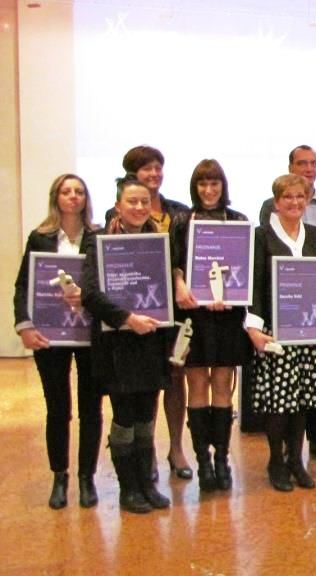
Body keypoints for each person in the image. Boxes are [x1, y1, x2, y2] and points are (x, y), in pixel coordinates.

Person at [80, 175, 173, 513]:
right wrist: (128, 319)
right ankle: (128, 489)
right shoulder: (99, 241)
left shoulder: (159, 241)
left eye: (144, 202)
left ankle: (147, 484)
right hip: (117, 345)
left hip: (151, 341)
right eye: (132, 201)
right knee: (125, 417)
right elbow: (90, 294)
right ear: (118, 205)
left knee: (147, 415)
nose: (139, 207)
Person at [246, 174, 316, 492]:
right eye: (288, 197)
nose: (295, 202)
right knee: (279, 401)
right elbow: (255, 283)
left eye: (300, 197)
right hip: (276, 330)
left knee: (301, 399)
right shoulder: (261, 236)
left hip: (311, 329)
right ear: (276, 202)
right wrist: (254, 329)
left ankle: (296, 461)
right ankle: (276, 461)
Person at [13, 174, 103, 509]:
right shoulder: (40, 237)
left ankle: (87, 477)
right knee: (57, 408)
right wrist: (24, 325)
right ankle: (60, 476)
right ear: (56, 198)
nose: (73, 196)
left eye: (79, 191)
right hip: (49, 334)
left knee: (91, 408)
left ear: (86, 198)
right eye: (67, 192)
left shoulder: (97, 236)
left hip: (90, 334)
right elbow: (23, 285)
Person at [105, 145, 192, 480]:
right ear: (132, 175)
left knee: (176, 376)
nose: (154, 174)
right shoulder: (113, 221)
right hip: (137, 313)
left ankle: (176, 448)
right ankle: (147, 453)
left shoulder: (178, 212)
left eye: (158, 167)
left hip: (177, 308)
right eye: (146, 169)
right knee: (148, 382)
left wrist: (180, 281)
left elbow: (183, 258)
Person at [169, 159, 251, 491]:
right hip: (193, 314)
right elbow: (173, 262)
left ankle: (222, 460)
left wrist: (233, 293)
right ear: (195, 187)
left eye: (214, 183)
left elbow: (245, 267)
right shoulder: (182, 220)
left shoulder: (239, 220)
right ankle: (203, 461)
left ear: (223, 185)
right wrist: (179, 284)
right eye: (202, 183)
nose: (208, 189)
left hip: (228, 314)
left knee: (222, 383)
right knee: (197, 384)